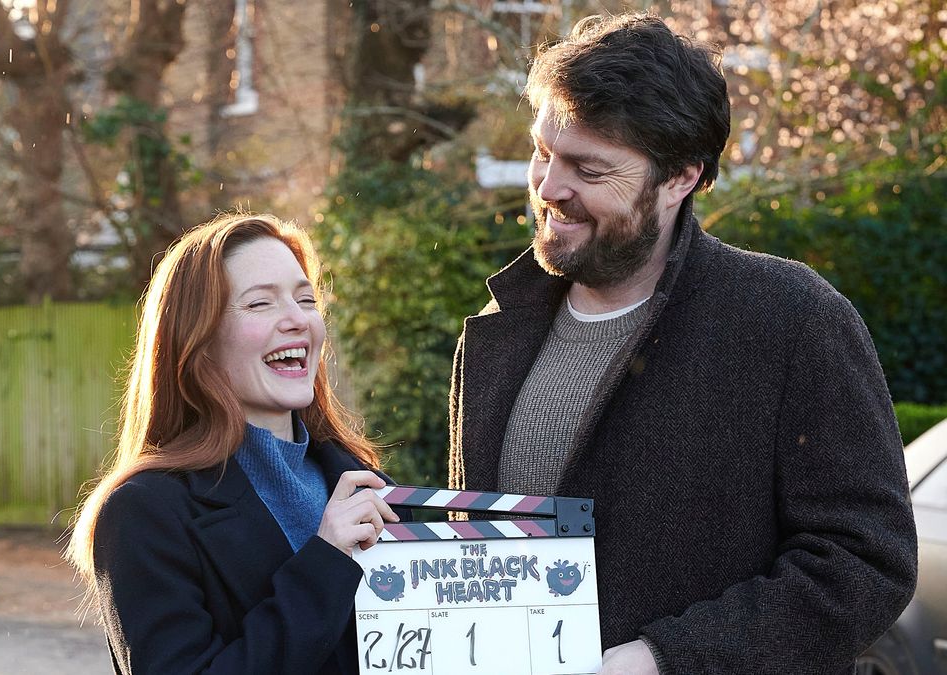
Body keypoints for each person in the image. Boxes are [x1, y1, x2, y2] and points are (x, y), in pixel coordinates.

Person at [446, 13, 917, 674]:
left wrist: (667, 657)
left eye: (587, 168)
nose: (549, 187)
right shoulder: (496, 328)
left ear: (679, 180)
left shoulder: (792, 319)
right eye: (544, 151)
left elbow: (868, 559)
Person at [65, 213, 403, 674]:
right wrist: (325, 562)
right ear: (197, 339)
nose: (297, 320)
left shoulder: (369, 488)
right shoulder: (143, 513)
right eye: (260, 304)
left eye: (306, 300)